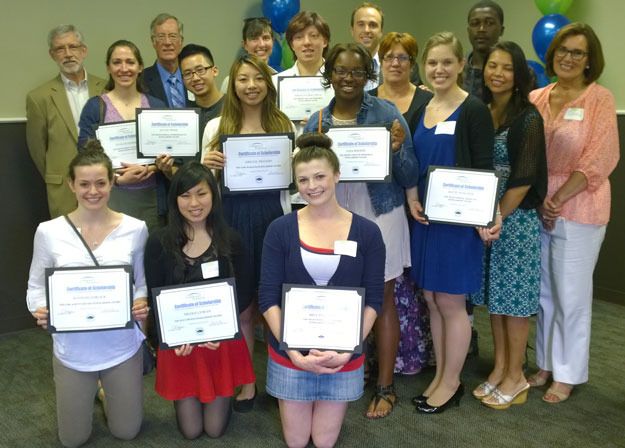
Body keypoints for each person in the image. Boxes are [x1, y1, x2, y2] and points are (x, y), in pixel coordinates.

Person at [303, 42, 419, 419]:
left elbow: (410, 175)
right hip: (333, 216)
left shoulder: (387, 113)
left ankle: (385, 387)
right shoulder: (317, 122)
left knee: (381, 299)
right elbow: (304, 178)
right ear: (329, 73)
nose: (348, 78)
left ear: (368, 75)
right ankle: (340, 377)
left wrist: (399, 149)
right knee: (337, 297)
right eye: (340, 70)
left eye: (356, 71)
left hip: (380, 214)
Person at [259, 132, 384, 448]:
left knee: (325, 442)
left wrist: (348, 349)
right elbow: (268, 297)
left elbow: (374, 299)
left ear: (337, 176)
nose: (311, 186)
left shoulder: (367, 233)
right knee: (297, 441)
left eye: (319, 176)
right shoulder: (280, 229)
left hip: (343, 355)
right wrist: (292, 352)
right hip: (290, 354)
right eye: (303, 179)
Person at [26, 141, 149, 447]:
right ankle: (91, 388)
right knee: (72, 439)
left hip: (120, 345)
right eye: (84, 184)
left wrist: (140, 301)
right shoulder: (49, 231)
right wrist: (41, 309)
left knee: (127, 431)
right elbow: (35, 288)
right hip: (73, 348)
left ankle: (106, 390)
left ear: (111, 183)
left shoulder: (136, 229)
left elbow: (142, 283)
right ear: (71, 185)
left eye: (100, 183)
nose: (92, 191)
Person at [528, 22, 619, 404]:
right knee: (544, 291)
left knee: (571, 294)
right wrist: (540, 199)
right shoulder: (536, 96)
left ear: (589, 60)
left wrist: (559, 197)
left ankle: (567, 372)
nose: (568, 57)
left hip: (580, 206)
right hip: (536, 204)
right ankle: (546, 363)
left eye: (577, 52)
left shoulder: (599, 99)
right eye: (562, 50)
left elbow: (600, 157)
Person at [407, 32, 497, 414]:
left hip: (459, 224)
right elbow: (411, 161)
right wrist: (412, 198)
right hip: (426, 220)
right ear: (424, 68)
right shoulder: (421, 107)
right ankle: (442, 373)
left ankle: (452, 381)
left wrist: (490, 215)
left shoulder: (473, 109)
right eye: (432, 63)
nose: (439, 69)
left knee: (450, 301)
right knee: (431, 298)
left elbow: (485, 167)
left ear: (461, 65)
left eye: (447, 62)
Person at [202, 54, 294, 411]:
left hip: (274, 219)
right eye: (243, 79)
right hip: (232, 222)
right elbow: (203, 186)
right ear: (232, 84)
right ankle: (246, 381)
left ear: (267, 84)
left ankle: (278, 377)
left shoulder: (283, 123)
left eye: (258, 78)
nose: (251, 85)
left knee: (274, 303)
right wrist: (206, 166)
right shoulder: (216, 127)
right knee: (240, 307)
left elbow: (295, 184)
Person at [144, 162, 255, 439]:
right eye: (185, 195)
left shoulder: (231, 240)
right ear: (175, 200)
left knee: (215, 430)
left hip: (220, 343)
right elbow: (155, 297)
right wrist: (163, 342)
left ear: (214, 196)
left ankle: (220, 391)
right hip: (180, 346)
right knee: (191, 432)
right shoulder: (159, 242)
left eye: (201, 193)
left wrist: (222, 330)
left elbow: (244, 292)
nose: (194, 203)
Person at [470, 41, 547, 409]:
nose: (497, 73)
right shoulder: (485, 111)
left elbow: (524, 177)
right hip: (488, 219)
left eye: (506, 68)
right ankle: (500, 368)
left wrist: (497, 215)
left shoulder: (528, 117)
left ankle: (516, 377)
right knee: (496, 301)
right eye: (492, 66)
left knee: (514, 304)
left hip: (513, 220)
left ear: (518, 76)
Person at [370, 32, 433, 376]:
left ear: (413, 62)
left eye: (403, 57)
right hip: (380, 204)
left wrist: (414, 196)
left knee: (410, 282)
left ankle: (409, 354)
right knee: (381, 283)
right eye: (389, 57)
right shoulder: (365, 102)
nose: (396, 63)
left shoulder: (427, 100)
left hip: (417, 197)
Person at [78, 40, 168, 231]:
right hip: (112, 197)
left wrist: (152, 168)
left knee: (150, 255)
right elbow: (85, 157)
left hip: (152, 198)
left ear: (140, 67)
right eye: (117, 62)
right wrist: (116, 180)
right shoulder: (95, 108)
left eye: (130, 62)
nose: (124, 68)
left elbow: (168, 150)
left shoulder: (157, 105)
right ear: (108, 68)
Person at [26, 24, 105, 218]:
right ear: (52, 54)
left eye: (73, 47)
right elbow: (38, 149)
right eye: (60, 49)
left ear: (83, 50)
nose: (68, 54)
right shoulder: (39, 97)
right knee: (68, 243)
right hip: (63, 187)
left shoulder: (105, 88)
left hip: (104, 182)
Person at [143, 13, 191, 108]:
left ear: (181, 41)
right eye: (161, 37)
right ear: (153, 42)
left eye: (173, 36)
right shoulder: (141, 80)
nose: (167, 42)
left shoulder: (192, 76)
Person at [220, 17, 275, 94]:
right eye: (254, 38)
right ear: (245, 44)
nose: (262, 44)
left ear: (273, 42)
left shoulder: (279, 79)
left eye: (266, 38)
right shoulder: (230, 82)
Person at [179, 44, 224, 134]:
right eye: (188, 73)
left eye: (200, 70)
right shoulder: (184, 115)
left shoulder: (233, 106)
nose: (195, 78)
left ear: (214, 71)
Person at [464, 0, 505, 99]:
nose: (481, 29)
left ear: (501, 30)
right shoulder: (457, 70)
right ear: (468, 31)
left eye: (489, 23)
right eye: (475, 23)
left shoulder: (516, 71)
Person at [277, 10, 330, 78]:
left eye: (313, 36)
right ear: (292, 45)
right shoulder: (277, 83)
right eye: (299, 37)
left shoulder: (338, 80)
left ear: (325, 41)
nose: (306, 42)